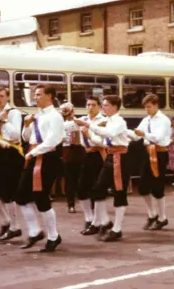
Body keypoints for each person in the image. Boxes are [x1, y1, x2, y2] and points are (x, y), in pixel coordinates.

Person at [76, 96, 131, 242]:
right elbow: (103, 141)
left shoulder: (119, 121)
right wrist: (89, 135)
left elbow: (110, 134)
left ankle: (117, 229)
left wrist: (89, 126)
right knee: (97, 190)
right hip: (110, 156)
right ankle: (105, 222)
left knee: (119, 192)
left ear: (115, 106)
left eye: (106, 105)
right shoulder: (109, 121)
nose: (103, 107)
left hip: (120, 157)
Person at [16, 85, 63, 252]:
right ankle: (35, 231)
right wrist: (26, 126)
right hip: (36, 156)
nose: (35, 97)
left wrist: (32, 153)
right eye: (34, 95)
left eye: (38, 94)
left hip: (48, 158)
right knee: (21, 196)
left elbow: (52, 141)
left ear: (49, 96)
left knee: (41, 197)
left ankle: (53, 236)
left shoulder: (55, 116)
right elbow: (27, 138)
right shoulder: (37, 116)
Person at [0, 87, 24, 241]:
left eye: (2, 96)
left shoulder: (14, 113)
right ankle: (6, 221)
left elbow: (15, 136)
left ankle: (14, 227)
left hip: (14, 154)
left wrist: (5, 121)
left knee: (8, 192)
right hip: (2, 152)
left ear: (8, 97)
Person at [129, 94, 171, 230]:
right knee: (143, 187)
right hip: (148, 152)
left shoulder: (164, 120)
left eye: (149, 107)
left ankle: (162, 217)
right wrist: (123, 132)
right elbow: (136, 136)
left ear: (156, 105)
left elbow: (158, 138)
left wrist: (143, 134)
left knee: (157, 187)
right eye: (145, 107)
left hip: (159, 153)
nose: (147, 109)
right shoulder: (146, 120)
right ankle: (152, 214)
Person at [74, 96, 105, 235]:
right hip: (85, 154)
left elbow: (102, 142)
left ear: (99, 106)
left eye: (93, 105)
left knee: (96, 190)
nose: (90, 107)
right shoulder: (83, 119)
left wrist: (87, 134)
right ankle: (89, 218)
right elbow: (68, 127)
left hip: (98, 155)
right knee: (81, 189)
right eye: (88, 105)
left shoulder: (103, 121)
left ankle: (97, 222)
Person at [59, 102, 85, 214]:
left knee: (81, 178)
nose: (68, 113)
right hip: (67, 151)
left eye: (69, 110)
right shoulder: (60, 124)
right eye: (65, 111)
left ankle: (85, 203)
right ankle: (71, 204)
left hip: (79, 150)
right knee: (70, 179)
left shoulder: (79, 121)